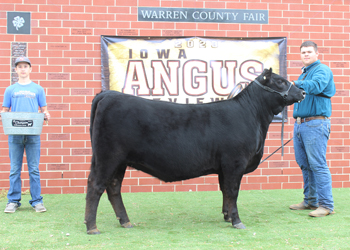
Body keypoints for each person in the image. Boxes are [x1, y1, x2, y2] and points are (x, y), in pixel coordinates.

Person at [289, 41, 336, 217]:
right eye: (303, 52)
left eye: (309, 52)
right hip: (301, 124)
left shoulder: (322, 70)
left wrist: (294, 84)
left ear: (316, 54)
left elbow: (316, 86)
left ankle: (326, 205)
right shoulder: (304, 74)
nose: (306, 55)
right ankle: (310, 201)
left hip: (316, 123)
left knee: (318, 165)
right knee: (305, 164)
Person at [1, 56, 50, 213]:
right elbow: (5, 110)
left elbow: (44, 110)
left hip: (33, 134)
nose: (22, 69)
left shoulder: (38, 89)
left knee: (34, 168)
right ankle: (13, 201)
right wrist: (2, 115)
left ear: (30, 69)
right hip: (15, 134)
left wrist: (47, 115)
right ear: (16, 70)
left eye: (25, 66)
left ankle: (37, 201)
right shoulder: (10, 89)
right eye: (19, 66)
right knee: (15, 168)